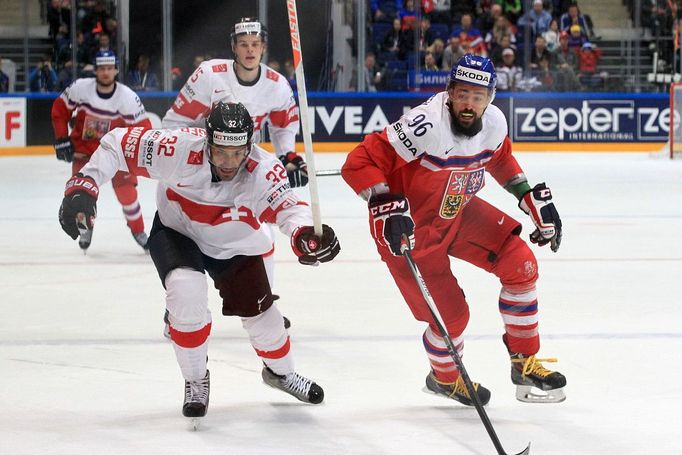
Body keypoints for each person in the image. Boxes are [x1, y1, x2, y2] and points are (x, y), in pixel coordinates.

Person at [57, 101, 340, 422]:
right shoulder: (175, 148)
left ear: (250, 145)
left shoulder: (263, 169)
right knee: (185, 292)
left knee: (266, 321)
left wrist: (306, 235)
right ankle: (195, 379)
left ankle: (282, 374)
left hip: (233, 243)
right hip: (178, 231)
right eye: (220, 152)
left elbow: (290, 209)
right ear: (207, 142)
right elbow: (116, 145)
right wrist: (84, 186)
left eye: (238, 153)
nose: (229, 163)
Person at [341, 54, 566, 406]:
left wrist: (526, 195)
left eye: (478, 97)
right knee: (453, 317)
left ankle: (524, 361)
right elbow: (359, 162)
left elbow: (500, 158)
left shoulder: (493, 122)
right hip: (408, 229)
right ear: (449, 92)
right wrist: (384, 201)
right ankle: (445, 379)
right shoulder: (426, 125)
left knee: (521, 264)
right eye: (462, 94)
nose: (469, 104)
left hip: (455, 207)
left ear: (490, 99)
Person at [162, 18, 308, 189]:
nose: (250, 50)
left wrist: (287, 157)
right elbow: (173, 124)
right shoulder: (209, 75)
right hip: (202, 166)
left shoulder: (278, 85)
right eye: (243, 44)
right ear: (234, 47)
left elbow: (284, 128)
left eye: (255, 44)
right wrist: (196, 157)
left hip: (243, 166)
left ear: (263, 47)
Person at [51, 50, 152, 252]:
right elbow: (59, 110)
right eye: (101, 68)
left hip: (117, 157)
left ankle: (138, 230)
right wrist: (62, 138)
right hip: (85, 156)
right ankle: (85, 228)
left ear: (115, 70)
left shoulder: (128, 98)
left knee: (128, 196)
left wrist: (134, 156)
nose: (106, 72)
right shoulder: (80, 88)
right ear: (95, 70)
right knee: (80, 197)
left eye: (109, 68)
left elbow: (145, 130)